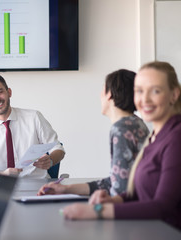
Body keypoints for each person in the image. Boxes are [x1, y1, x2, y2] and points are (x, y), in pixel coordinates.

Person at [63, 61, 181, 230]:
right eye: (139, 91)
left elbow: (163, 206)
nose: (145, 99)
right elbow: (141, 192)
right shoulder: (155, 136)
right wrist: (115, 200)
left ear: (174, 94)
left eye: (155, 91)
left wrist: (97, 210)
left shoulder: (176, 138)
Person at [38, 69, 149, 197]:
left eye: (102, 89)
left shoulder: (121, 129)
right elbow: (115, 181)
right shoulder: (136, 123)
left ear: (109, 94)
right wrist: (66, 189)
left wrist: (97, 209)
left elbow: (121, 190)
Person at [0, 73, 65, 178]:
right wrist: (1, 175)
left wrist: (50, 160)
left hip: (37, 186)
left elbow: (58, 149)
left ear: (9, 92)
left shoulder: (34, 117)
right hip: (2, 188)